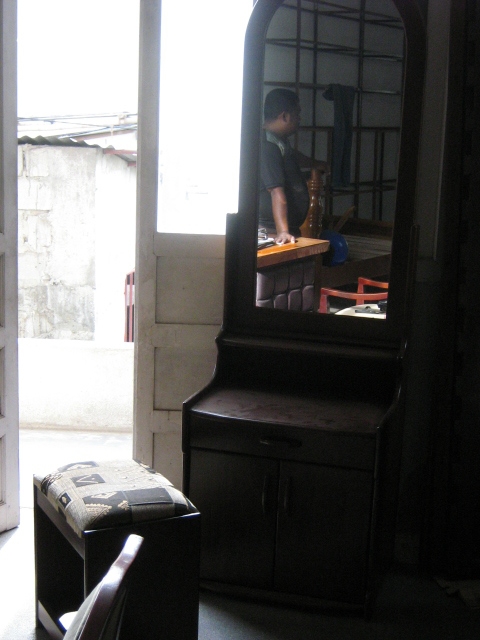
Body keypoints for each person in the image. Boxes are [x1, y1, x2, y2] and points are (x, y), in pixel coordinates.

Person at [259, 88, 327, 245]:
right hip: (272, 231)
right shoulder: (267, 146)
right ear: (284, 116)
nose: (300, 118)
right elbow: (276, 192)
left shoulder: (278, 141)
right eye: (297, 113)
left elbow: (293, 155)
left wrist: (314, 163)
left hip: (286, 228)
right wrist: (283, 231)